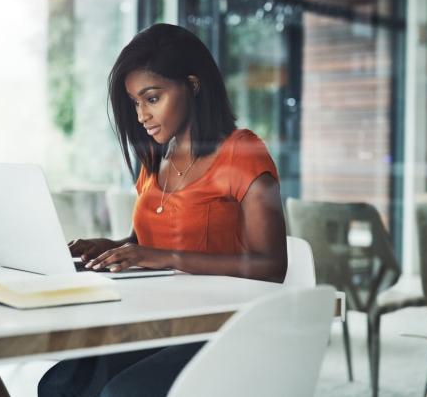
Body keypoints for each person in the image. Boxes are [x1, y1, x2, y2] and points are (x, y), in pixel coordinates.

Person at [38, 23, 287, 397]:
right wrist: (112, 246)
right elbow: (147, 243)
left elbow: (271, 267)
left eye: (152, 98)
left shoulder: (241, 152)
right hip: (158, 319)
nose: (141, 115)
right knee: (59, 384)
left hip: (222, 325)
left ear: (193, 85)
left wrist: (161, 256)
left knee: (121, 393)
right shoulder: (156, 158)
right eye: (135, 102)